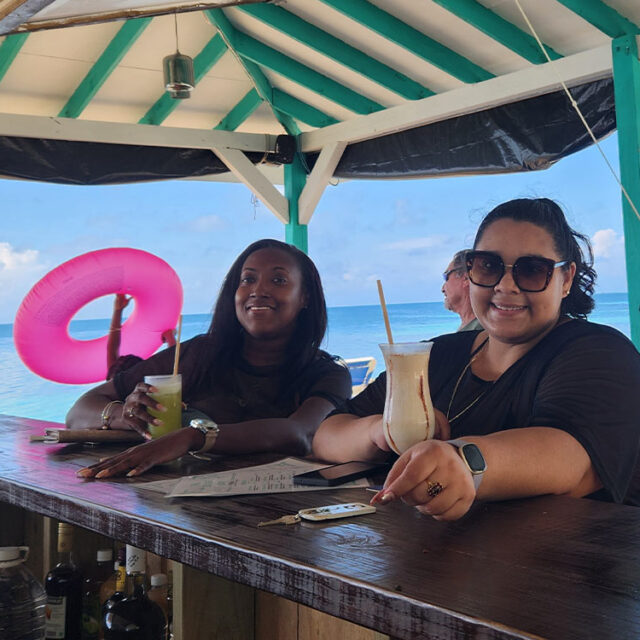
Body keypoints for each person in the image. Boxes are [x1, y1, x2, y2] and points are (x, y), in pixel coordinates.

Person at [312, 198, 640, 520]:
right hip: (424, 563)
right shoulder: (437, 354)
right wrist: (377, 432)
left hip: (565, 569)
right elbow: (326, 436)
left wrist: (463, 460)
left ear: (565, 279)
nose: (505, 285)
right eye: (488, 265)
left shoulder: (600, 353)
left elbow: (571, 460)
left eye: (532, 270)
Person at [69, 238, 352, 478]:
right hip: (180, 514)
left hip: (285, 522)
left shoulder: (327, 373)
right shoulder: (198, 354)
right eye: (248, 279)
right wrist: (130, 416)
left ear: (305, 297)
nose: (258, 290)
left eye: (278, 280)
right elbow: (79, 411)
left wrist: (194, 436)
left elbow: (299, 433)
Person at [105, 295, 175, 380]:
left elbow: (112, 349)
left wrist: (117, 311)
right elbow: (174, 364)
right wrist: (169, 337)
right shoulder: (146, 388)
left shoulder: (113, 384)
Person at [442, 250, 481, 331]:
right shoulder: (480, 328)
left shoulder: (480, 332)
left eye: (446, 277)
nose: (442, 289)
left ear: (466, 278)